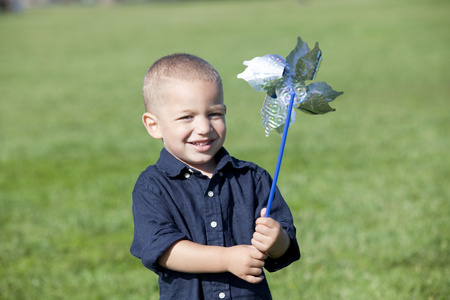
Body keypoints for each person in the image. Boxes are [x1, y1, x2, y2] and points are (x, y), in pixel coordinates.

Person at [130, 53, 300, 300]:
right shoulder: (152, 187)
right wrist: (227, 258)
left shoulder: (252, 178)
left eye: (214, 114)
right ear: (154, 125)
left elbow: (284, 248)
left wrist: (276, 239)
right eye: (187, 117)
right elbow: (164, 250)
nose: (204, 127)